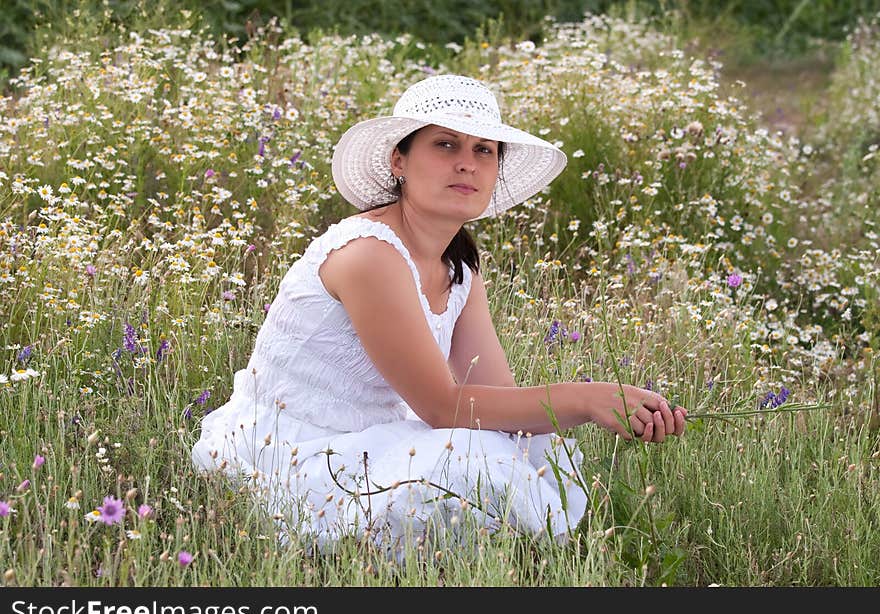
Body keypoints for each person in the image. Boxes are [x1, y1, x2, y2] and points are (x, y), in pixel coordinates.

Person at [191, 74, 687, 557]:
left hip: (371, 438)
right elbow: (442, 408)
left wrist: (615, 404)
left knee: (522, 451)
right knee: (468, 464)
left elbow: (498, 402)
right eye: (446, 145)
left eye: (483, 151)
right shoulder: (369, 254)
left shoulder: (460, 268)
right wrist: (583, 397)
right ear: (399, 161)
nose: (467, 164)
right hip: (293, 452)